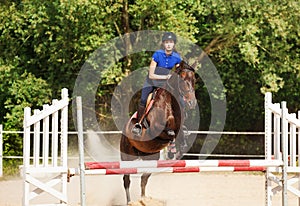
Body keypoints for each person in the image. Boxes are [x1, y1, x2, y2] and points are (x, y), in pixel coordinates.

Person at [131, 32, 182, 135]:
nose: (168, 44)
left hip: (165, 84)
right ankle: (139, 124)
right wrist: (166, 77)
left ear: (174, 44)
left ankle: (181, 125)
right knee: (144, 99)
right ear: (163, 44)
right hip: (152, 82)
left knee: (180, 100)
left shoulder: (177, 57)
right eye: (166, 42)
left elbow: (179, 73)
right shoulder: (157, 54)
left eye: (171, 42)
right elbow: (151, 75)